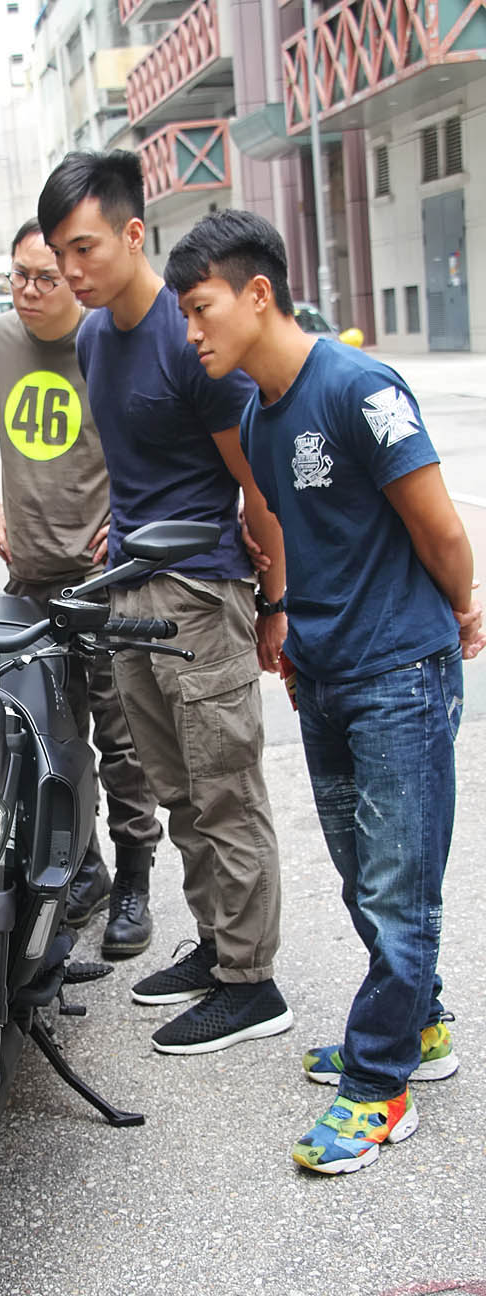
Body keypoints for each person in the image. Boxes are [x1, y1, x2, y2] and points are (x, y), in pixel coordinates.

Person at [164, 209, 483, 1172]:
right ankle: (415, 1026)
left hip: (398, 673)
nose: (192, 332)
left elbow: (439, 528)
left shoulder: (356, 386)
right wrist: (294, 633)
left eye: (202, 307)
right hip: (327, 673)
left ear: (258, 293)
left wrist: (461, 611)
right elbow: (298, 541)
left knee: (398, 887)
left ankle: (380, 1086)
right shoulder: (259, 418)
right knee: (358, 872)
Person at [37, 150, 293, 1055]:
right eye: (60, 254)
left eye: (84, 249)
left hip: (199, 586)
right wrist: (117, 517)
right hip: (129, 587)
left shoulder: (192, 340)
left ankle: (252, 980)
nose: (70, 272)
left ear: (133, 233)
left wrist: (275, 601)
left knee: (224, 785)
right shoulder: (95, 335)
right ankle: (219, 947)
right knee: (175, 786)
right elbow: (136, 457)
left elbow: (251, 482)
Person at [0, 218, 162, 958]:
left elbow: (158, 435)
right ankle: (85, 867)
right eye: (19, 276)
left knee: (121, 739)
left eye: (47, 276)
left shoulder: (105, 341)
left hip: (101, 581)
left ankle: (134, 878)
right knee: (42, 739)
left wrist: (130, 516)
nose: (30, 291)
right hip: (28, 580)